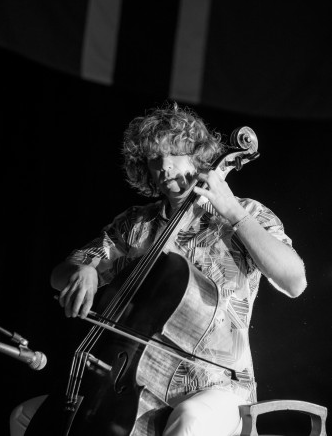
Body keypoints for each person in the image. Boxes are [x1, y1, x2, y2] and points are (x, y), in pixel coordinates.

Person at [49, 102, 306, 436]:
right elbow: (60, 274)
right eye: (154, 158)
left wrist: (229, 208)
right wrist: (85, 272)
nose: (165, 167)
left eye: (174, 154)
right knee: (30, 417)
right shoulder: (135, 224)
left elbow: (294, 281)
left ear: (198, 156)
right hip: (136, 382)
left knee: (190, 421)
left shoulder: (244, 212)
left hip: (218, 387)